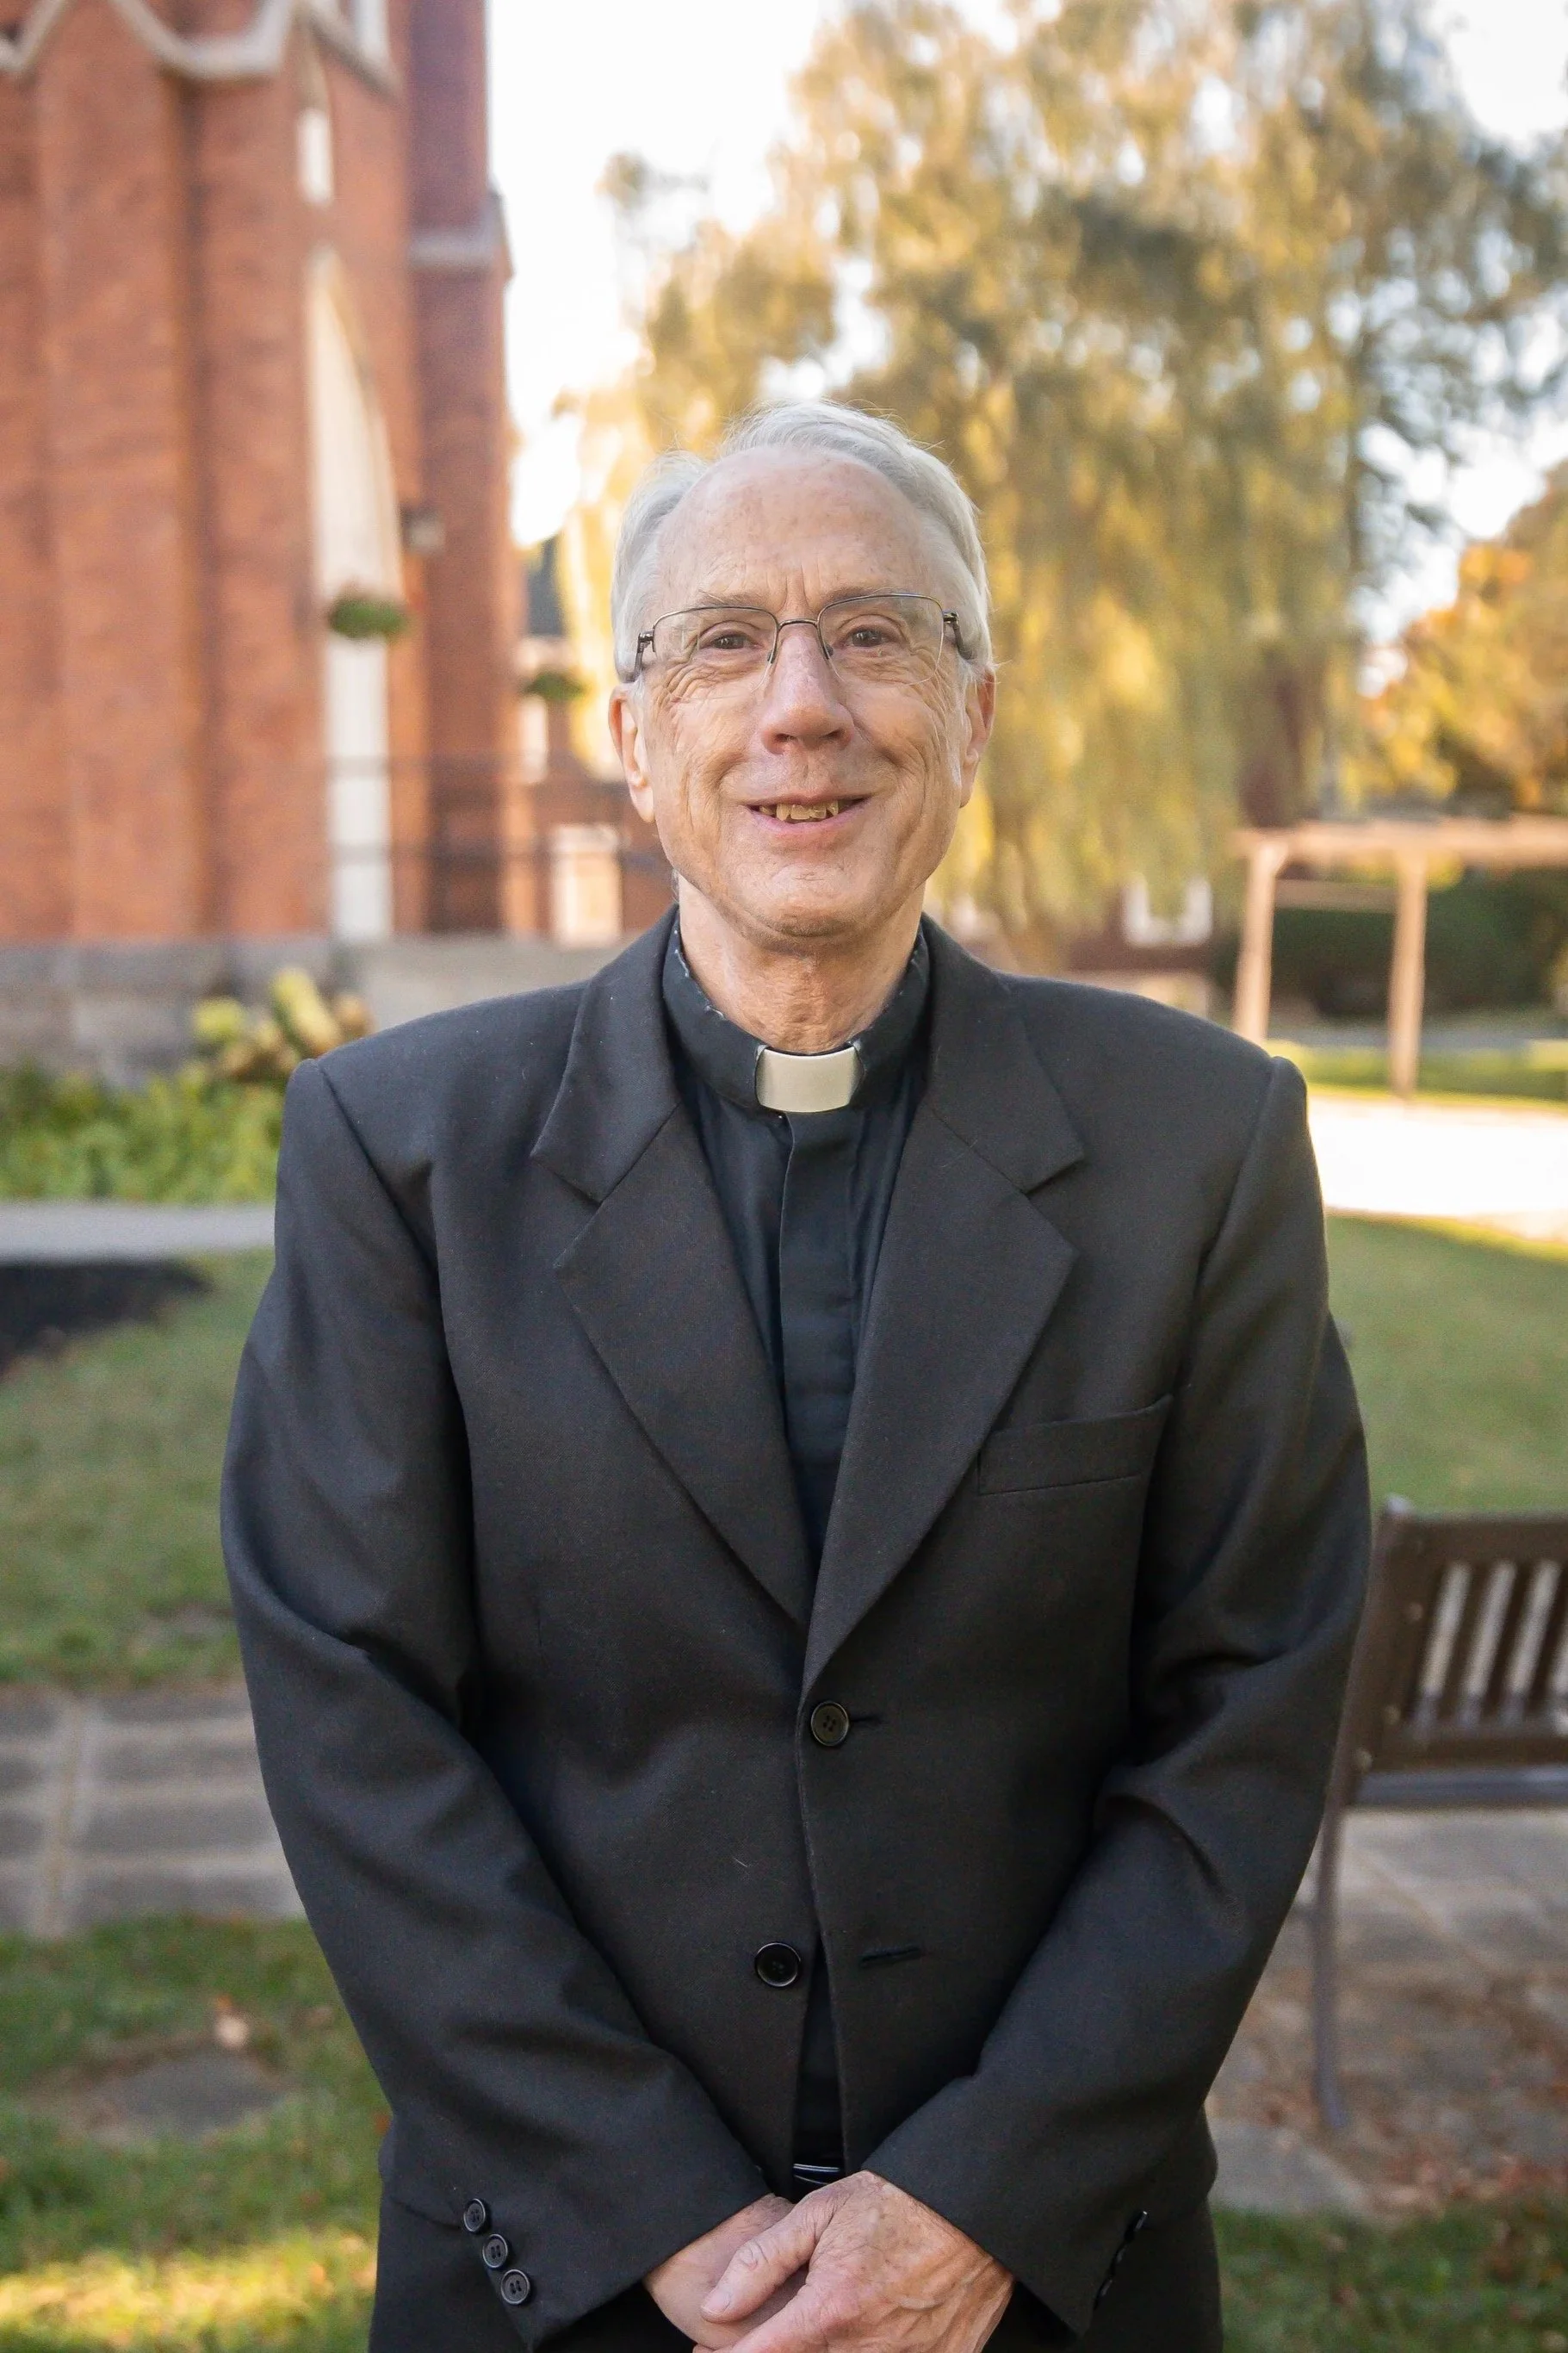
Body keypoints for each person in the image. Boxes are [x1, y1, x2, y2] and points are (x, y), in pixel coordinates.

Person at [223, 402, 1368, 2353]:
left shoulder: (1202, 1145)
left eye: (873, 634)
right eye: (726, 642)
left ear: (974, 716)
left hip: (1039, 2274)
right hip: (567, 2269)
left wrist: (979, 2198)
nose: (802, 707)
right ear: (632, 734)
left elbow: (1249, 1707)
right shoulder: (400, 1155)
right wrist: (654, 2208)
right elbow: (355, 1722)